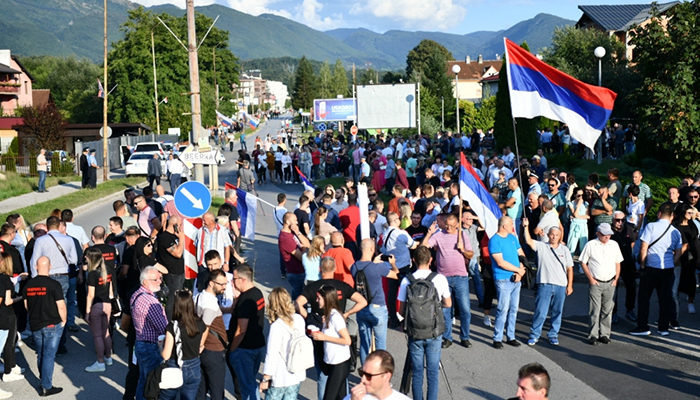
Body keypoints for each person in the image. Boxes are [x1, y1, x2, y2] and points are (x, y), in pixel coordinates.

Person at [296, 256, 367, 400]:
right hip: (331, 347)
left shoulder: (316, 290)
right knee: (340, 388)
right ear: (334, 269)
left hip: (330, 346)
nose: (317, 300)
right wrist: (347, 313)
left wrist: (309, 318)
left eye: (319, 299)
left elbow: (298, 303)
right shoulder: (341, 286)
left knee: (324, 377)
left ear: (319, 269)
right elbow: (362, 301)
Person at [397, 246, 451, 400]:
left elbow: (401, 310)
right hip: (434, 330)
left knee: (417, 372)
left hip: (415, 331)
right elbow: (448, 303)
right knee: (433, 372)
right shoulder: (439, 279)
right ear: (431, 260)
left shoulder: (407, 280)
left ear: (413, 260)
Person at [421, 214, 474, 348]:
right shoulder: (439, 235)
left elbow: (471, 254)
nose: (448, 228)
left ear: (457, 224)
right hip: (443, 278)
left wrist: (462, 250)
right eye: (447, 225)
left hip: (460, 277)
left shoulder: (462, 236)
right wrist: (429, 233)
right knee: (446, 310)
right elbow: (423, 247)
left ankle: (465, 337)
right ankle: (447, 337)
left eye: (451, 225)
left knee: (465, 309)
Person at [630, 203, 683, 336]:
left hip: (651, 267)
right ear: (671, 216)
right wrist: (672, 262)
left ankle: (643, 326)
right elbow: (678, 252)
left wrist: (642, 265)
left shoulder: (651, 226)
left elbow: (643, 247)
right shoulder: (675, 231)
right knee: (664, 298)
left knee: (644, 297)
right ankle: (663, 327)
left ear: (659, 214)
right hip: (667, 268)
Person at [522, 220, 573, 346]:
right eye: (552, 234)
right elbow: (528, 241)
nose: (554, 237)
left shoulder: (565, 250)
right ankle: (534, 335)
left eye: (557, 235)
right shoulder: (542, 246)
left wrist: (570, 285)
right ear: (548, 235)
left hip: (561, 285)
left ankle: (553, 334)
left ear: (560, 236)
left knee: (557, 312)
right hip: (545, 284)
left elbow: (569, 268)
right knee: (541, 312)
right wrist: (526, 227)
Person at [23, 256, 66, 397]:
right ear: (50, 266)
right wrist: (64, 321)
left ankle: (44, 380)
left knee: (41, 353)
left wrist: (34, 315)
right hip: (51, 324)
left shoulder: (28, 285)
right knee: (48, 355)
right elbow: (61, 305)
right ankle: (46, 386)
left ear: (36, 267)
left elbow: (26, 305)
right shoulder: (54, 285)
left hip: (35, 323)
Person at [351, 239, 399, 365]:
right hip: (377, 307)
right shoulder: (378, 267)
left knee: (364, 343)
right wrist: (393, 264)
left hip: (361, 307)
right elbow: (395, 275)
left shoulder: (354, 266)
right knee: (380, 343)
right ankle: (380, 373)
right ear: (372, 249)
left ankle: (365, 373)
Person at [259, 287, 306, 400]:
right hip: (296, 373)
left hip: (280, 376)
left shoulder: (277, 326)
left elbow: (272, 354)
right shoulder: (299, 319)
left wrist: (265, 379)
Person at [579, 223, 623, 345]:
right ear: (598, 233)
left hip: (610, 282)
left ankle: (604, 334)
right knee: (595, 310)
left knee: (608, 310)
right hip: (596, 282)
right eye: (604, 234)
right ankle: (593, 334)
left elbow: (618, 262)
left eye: (609, 234)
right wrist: (590, 279)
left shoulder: (614, 245)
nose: (607, 236)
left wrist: (616, 279)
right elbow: (583, 262)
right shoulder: (591, 245)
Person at [228, 264, 266, 400]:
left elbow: (241, 329)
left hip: (245, 349)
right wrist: (236, 297)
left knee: (247, 387)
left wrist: (232, 349)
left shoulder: (245, 301)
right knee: (251, 381)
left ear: (243, 280)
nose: (232, 281)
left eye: (234, 278)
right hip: (258, 345)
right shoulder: (257, 293)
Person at [488, 216, 527, 349]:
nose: (512, 226)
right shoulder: (494, 240)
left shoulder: (512, 238)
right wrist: (518, 270)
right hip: (503, 279)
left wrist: (520, 270)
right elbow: (500, 262)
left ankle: (511, 336)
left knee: (514, 309)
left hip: (516, 277)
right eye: (511, 224)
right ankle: (497, 337)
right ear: (504, 226)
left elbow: (521, 254)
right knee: (503, 309)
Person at [131, 266, 168, 400]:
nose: (159, 282)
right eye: (155, 279)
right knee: (151, 383)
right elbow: (164, 326)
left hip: (141, 343)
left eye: (160, 278)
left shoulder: (137, 294)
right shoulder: (149, 301)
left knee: (144, 380)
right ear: (145, 282)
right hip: (150, 346)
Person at [311, 284, 352, 400]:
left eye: (319, 298)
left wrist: (324, 337)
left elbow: (347, 340)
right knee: (341, 397)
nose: (316, 300)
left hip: (340, 364)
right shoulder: (329, 316)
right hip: (335, 363)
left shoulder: (335, 317)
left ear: (326, 298)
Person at [195, 268, 230, 400]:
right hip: (213, 351)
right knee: (217, 391)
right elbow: (205, 326)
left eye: (226, 284)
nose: (224, 287)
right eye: (221, 284)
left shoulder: (199, 297)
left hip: (205, 353)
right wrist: (201, 345)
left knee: (201, 388)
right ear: (211, 283)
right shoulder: (210, 304)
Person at [382, 212, 418, 328]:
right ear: (395, 221)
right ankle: (407, 319)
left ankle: (393, 319)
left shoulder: (385, 233)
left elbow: (382, 249)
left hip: (390, 268)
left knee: (391, 295)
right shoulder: (401, 233)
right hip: (403, 268)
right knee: (407, 294)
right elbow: (413, 245)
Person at [83, 247, 114, 372]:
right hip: (107, 305)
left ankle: (100, 362)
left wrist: (87, 312)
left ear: (91, 259)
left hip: (96, 305)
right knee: (106, 333)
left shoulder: (92, 274)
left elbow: (90, 295)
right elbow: (111, 292)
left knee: (97, 335)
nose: (85, 258)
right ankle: (108, 357)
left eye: (86, 256)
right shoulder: (107, 271)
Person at [0, 251, 26, 387]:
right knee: (9, 344)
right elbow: (8, 301)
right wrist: (22, 297)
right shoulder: (5, 280)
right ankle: (8, 372)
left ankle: (12, 366)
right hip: (6, 314)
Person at [345, 350, 410, 400]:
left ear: (386, 376)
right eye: (361, 373)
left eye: (369, 375)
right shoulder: (354, 397)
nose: (363, 380)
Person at [157, 215, 185, 319]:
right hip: (172, 273)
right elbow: (177, 253)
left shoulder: (174, 236)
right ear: (176, 225)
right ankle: (169, 322)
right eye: (180, 225)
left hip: (179, 271)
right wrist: (181, 239)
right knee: (172, 299)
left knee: (178, 298)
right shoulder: (165, 238)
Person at [279, 212, 311, 300]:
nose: (297, 223)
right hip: (296, 272)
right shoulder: (285, 238)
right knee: (298, 297)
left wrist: (298, 232)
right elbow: (301, 257)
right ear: (288, 222)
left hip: (301, 270)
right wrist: (303, 248)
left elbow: (308, 244)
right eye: (295, 221)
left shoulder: (292, 233)